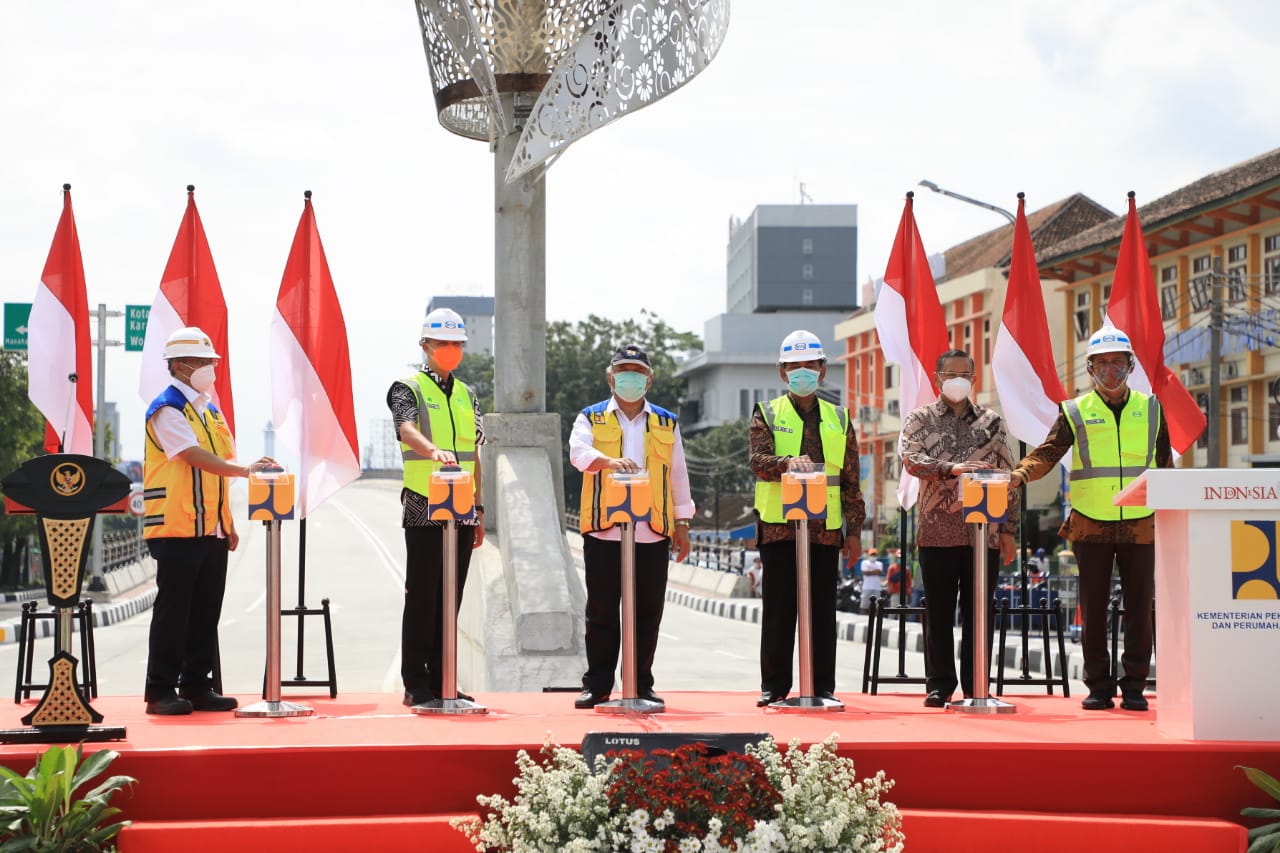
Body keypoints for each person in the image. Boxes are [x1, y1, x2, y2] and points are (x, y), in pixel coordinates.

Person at [1010, 325, 1171, 712]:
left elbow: (1166, 465)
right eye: (1103, 364)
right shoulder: (1075, 410)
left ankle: (1134, 685)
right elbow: (1048, 453)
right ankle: (1099, 686)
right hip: (1090, 521)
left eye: (1118, 363)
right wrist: (1019, 474)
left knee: (1139, 607)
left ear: (1130, 366)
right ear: (1090, 368)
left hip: (1141, 521)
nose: (1111, 371)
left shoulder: (1151, 407)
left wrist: (1175, 511)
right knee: (1093, 607)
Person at [141, 327, 276, 715]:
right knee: (174, 612)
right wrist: (245, 470)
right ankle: (160, 690)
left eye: (211, 362)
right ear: (180, 366)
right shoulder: (167, 409)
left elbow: (215, 472)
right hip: (177, 527)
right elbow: (193, 457)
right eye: (203, 363)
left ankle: (198, 685)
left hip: (210, 528)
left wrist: (227, 524)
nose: (210, 369)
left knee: (205, 611)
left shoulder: (209, 410)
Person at [569, 344, 693, 709]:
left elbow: (679, 475)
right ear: (610, 377)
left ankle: (640, 683)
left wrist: (682, 521)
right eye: (623, 370)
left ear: (649, 379)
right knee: (603, 609)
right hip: (607, 526)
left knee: (647, 611)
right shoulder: (591, 417)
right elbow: (578, 453)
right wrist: (607, 461)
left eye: (637, 372)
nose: (630, 378)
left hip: (651, 528)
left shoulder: (666, 422)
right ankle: (598, 685)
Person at [749, 330, 865, 706]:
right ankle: (775, 686)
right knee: (779, 610)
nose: (803, 371)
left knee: (821, 612)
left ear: (822, 369)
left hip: (825, 531)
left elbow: (850, 479)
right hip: (779, 528)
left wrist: (855, 532)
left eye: (810, 365)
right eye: (794, 366)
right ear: (782, 372)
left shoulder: (839, 418)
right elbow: (758, 462)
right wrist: (787, 464)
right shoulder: (766, 413)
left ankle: (821, 687)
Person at [899, 348, 1018, 708]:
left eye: (963, 374)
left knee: (981, 612)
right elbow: (910, 458)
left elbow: (1009, 475)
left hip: (985, 535)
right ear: (937, 379)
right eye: (949, 373)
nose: (957, 380)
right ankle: (939, 684)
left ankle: (977, 683)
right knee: (937, 611)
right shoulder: (920, 419)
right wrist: (951, 469)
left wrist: (1009, 529)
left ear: (973, 379)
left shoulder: (992, 423)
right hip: (937, 532)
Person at [386, 307, 485, 707]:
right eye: (442, 343)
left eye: (456, 344)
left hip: (461, 504)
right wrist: (432, 450)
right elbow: (405, 428)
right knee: (424, 594)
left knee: (451, 596)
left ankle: (446, 679)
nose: (450, 350)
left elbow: (474, 451)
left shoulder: (467, 395)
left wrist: (479, 508)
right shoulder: (405, 387)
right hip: (423, 500)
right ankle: (417, 683)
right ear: (425, 346)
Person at [859, 547, 884, 612]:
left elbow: (879, 572)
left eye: (874, 555)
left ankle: (876, 620)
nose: (873, 556)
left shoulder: (879, 563)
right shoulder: (864, 562)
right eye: (872, 555)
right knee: (864, 605)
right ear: (869, 555)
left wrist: (869, 571)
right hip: (867, 587)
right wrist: (875, 571)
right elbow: (865, 572)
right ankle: (863, 619)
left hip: (877, 587)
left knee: (877, 606)